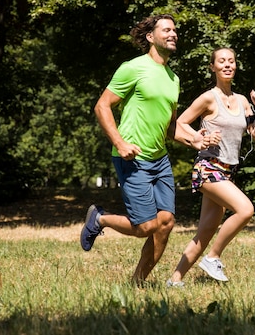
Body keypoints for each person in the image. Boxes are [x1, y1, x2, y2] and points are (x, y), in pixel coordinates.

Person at [80, 14, 211, 284]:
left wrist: (194, 139)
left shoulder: (173, 79)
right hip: (133, 158)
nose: (173, 33)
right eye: (167, 29)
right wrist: (119, 142)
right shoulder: (133, 68)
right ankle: (101, 219)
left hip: (159, 159)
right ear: (151, 37)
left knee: (165, 224)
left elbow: (170, 125)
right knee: (146, 227)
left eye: (175, 29)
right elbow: (102, 106)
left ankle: (137, 282)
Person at [167, 47, 255, 286]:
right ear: (213, 67)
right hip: (208, 168)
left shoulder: (243, 100)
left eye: (231, 61)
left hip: (226, 172)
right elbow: (180, 123)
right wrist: (198, 139)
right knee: (245, 210)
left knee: (206, 231)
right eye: (221, 61)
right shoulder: (208, 98)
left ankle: (175, 280)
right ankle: (213, 257)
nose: (227, 65)